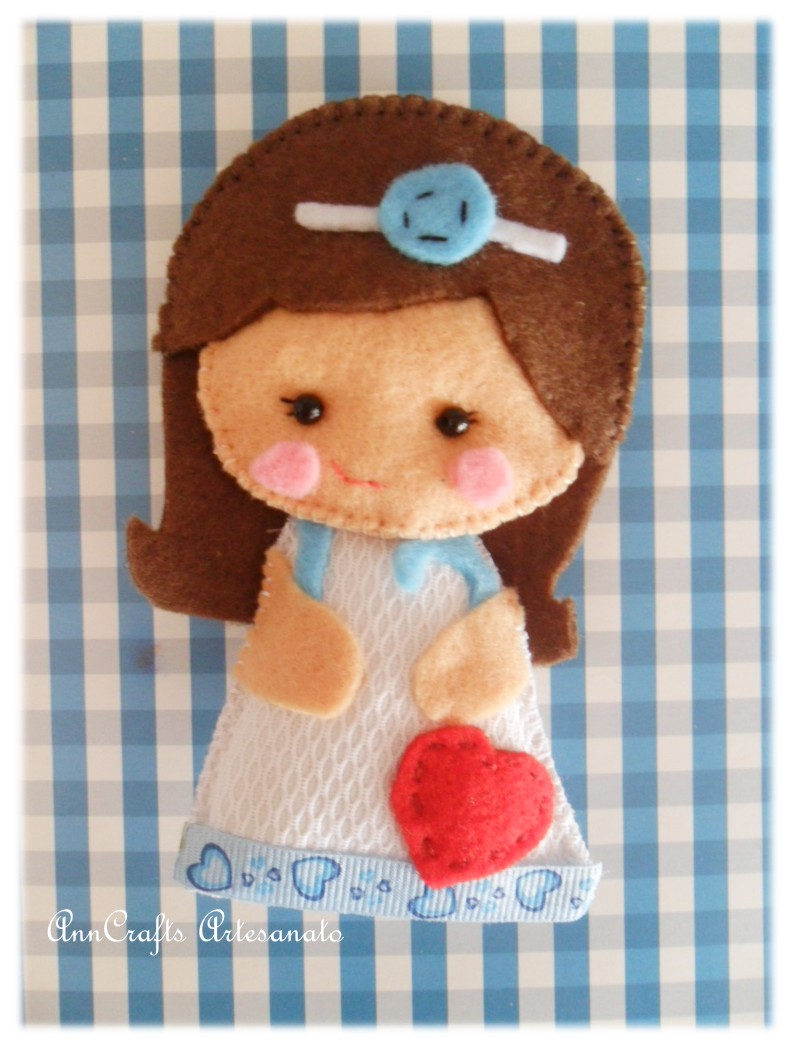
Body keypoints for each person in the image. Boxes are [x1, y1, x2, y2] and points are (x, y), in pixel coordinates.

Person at [128, 94, 644, 922]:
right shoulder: (301, 550)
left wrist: (469, 670)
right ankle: (267, 842)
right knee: (292, 748)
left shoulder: (467, 565)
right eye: (305, 410)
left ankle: (482, 871)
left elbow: (485, 632)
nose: (368, 459)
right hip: (303, 723)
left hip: (454, 715)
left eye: (456, 424)